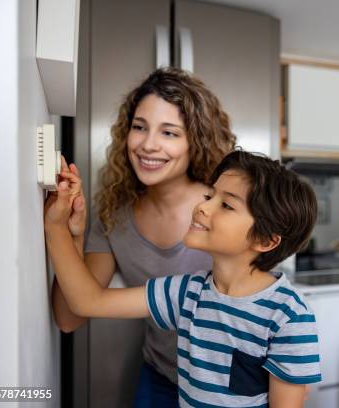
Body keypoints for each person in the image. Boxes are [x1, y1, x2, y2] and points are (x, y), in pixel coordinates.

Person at [44, 150, 322, 407]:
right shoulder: (187, 292)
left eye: (225, 205)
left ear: (265, 240)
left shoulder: (289, 317)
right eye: (209, 196)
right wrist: (57, 226)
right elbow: (88, 302)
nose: (203, 207)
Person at [48, 67, 236, 406]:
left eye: (169, 132)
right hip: (160, 378)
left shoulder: (225, 212)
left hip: (228, 387)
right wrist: (71, 234)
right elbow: (69, 317)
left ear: (197, 140)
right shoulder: (113, 217)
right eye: (139, 127)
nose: (148, 145)